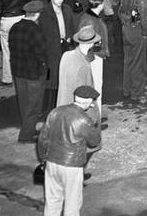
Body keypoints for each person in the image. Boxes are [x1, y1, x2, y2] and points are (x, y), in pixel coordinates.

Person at [38, 85, 102, 216]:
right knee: (72, 203)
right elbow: (94, 142)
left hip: (52, 162)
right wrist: (94, 125)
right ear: (88, 102)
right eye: (92, 102)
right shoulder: (84, 119)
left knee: (52, 201)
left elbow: (43, 139)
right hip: (72, 166)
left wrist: (44, 159)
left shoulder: (55, 112)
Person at [10, 0, 49, 143]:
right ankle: (25, 135)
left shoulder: (15, 27)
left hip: (18, 70)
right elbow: (41, 53)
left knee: (24, 103)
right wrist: (45, 66)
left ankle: (29, 128)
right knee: (34, 105)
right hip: (34, 72)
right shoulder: (35, 30)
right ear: (37, 14)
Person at [120, 0, 147, 101]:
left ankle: (126, 90)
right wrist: (144, 34)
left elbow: (121, 10)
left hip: (125, 29)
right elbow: (145, 18)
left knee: (128, 61)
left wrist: (126, 23)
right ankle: (136, 93)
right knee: (138, 63)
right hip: (137, 31)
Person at [57, 24, 100, 107]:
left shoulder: (66, 55)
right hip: (75, 110)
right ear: (91, 43)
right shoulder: (84, 65)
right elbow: (84, 94)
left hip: (62, 104)